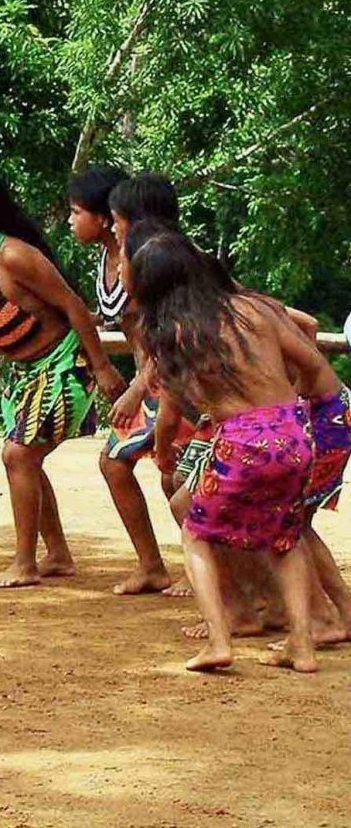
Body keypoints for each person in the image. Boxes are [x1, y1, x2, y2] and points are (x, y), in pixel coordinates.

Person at [126, 226, 328, 672]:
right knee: (285, 537)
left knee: (197, 533)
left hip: (242, 439)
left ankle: (219, 639)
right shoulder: (253, 309)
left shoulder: (174, 332)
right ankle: (303, 645)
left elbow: (177, 402)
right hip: (296, 431)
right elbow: (313, 366)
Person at [0, 167, 125, 588]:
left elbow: (74, 306)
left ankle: (25, 561)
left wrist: (100, 365)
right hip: (22, 373)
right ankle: (56, 553)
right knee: (25, 458)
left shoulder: (12, 255)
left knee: (18, 455)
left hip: (63, 366)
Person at [67, 165, 176, 595]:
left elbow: (171, 331)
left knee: (181, 477)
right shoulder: (114, 257)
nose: (72, 221)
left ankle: (218, 571)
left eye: (78, 211)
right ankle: (152, 564)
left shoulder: (155, 258)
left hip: (172, 380)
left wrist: (136, 387)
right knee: (117, 463)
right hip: (151, 380)